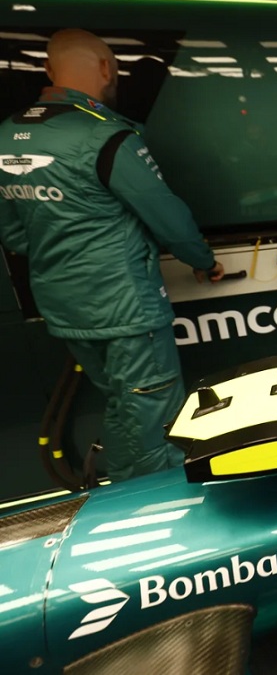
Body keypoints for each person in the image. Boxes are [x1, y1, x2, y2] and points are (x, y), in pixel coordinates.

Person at [0, 29, 223, 481]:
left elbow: (13, 233)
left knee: (124, 407)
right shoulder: (106, 135)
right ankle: (161, 518)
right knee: (158, 421)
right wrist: (203, 260)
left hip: (63, 307)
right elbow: (168, 217)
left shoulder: (7, 135)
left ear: (48, 69)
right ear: (106, 68)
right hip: (126, 309)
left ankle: (117, 498)